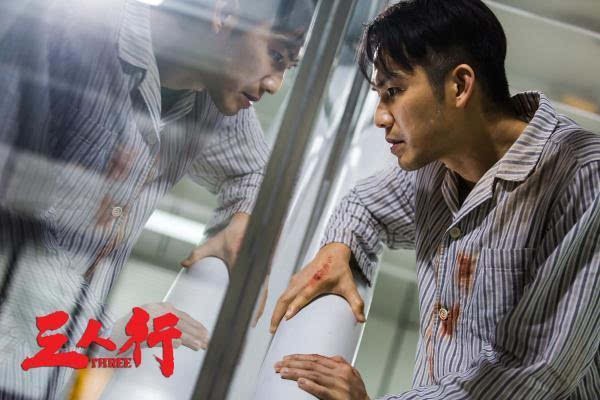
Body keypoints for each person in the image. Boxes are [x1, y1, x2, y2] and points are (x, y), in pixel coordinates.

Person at [271, 1, 600, 399]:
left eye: (393, 92)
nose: (380, 117)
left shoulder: (583, 177)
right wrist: (337, 250)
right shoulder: (436, 164)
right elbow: (364, 206)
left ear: (459, 86)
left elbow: (533, 374)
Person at [0, 0, 314, 397]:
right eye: (276, 55)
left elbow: (260, 174)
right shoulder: (71, 36)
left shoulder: (212, 101)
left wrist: (242, 222)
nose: (275, 84)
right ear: (224, 14)